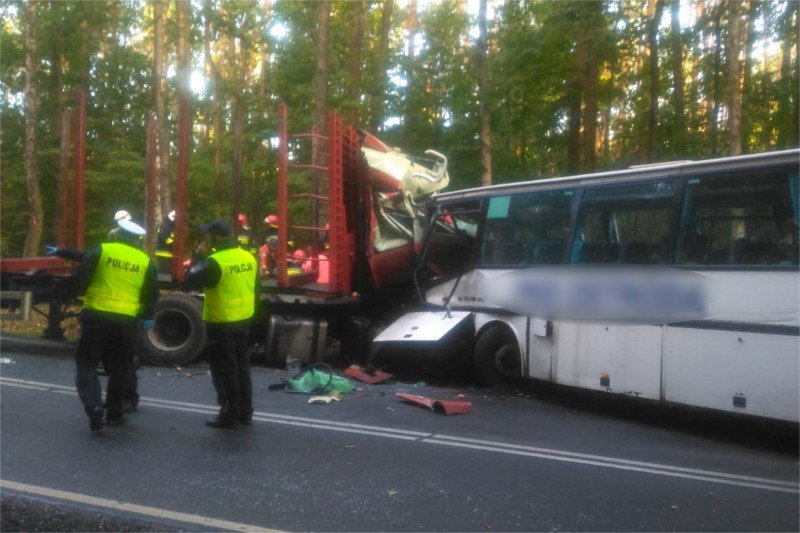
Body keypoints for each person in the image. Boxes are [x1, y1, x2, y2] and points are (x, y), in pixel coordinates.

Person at [72, 218, 158, 431]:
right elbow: (151, 294)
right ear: (136, 240)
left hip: (96, 317)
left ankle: (93, 406)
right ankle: (115, 412)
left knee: (87, 363)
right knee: (121, 366)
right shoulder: (145, 261)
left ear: (118, 234)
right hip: (126, 321)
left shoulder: (102, 251)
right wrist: (147, 315)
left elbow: (81, 277)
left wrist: (73, 293)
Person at [184, 219, 259, 428]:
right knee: (242, 366)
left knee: (225, 369)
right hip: (244, 319)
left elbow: (188, 281)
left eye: (208, 234)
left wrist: (198, 255)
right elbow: (256, 287)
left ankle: (229, 413)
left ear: (215, 237)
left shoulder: (215, 262)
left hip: (222, 321)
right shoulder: (248, 256)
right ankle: (245, 412)